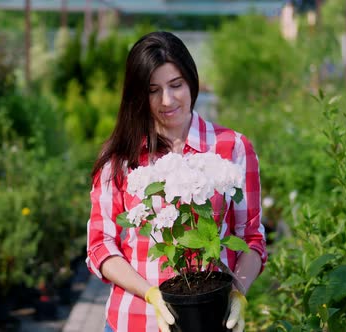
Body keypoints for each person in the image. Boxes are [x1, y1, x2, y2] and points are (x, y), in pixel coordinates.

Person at [86, 31, 267, 332]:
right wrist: (151, 294)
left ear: (192, 82)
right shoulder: (120, 156)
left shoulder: (231, 148)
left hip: (210, 321)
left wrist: (239, 293)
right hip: (134, 321)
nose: (167, 100)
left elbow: (251, 236)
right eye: (153, 89)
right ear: (137, 94)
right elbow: (100, 245)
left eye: (176, 85)